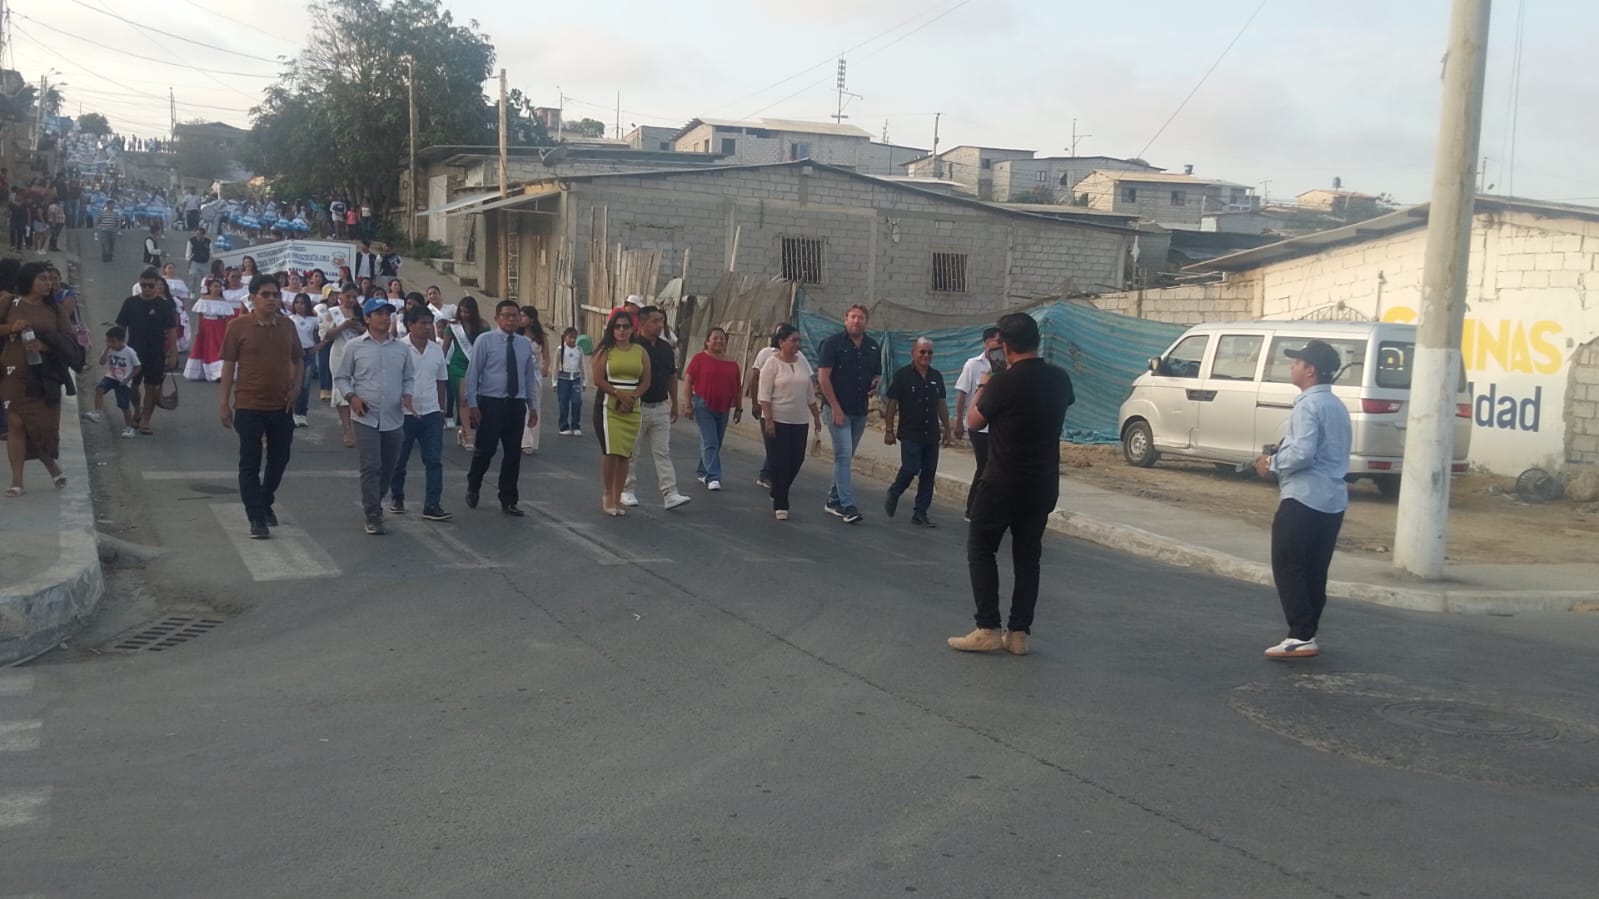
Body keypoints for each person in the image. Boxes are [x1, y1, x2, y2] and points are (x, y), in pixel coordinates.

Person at [949, 313, 1074, 657]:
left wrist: (986, 384)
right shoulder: (1059, 379)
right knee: (1027, 557)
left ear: (1005, 347)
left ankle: (987, 628)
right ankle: (1019, 633)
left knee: (981, 548)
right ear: (1037, 340)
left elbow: (974, 422)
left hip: (1002, 481)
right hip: (1042, 483)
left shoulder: (1002, 382)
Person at [1253, 340, 1352, 660]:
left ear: (1310, 370)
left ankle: (1300, 634)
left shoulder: (1308, 405)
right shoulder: (1336, 405)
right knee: (1314, 568)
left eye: (1296, 362)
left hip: (1303, 497)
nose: (1291, 366)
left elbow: (1303, 453)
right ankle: (1307, 632)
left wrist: (1271, 463)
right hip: (1332, 501)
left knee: (1287, 563)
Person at [218, 275, 303, 540]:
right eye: (265, 294)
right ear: (253, 297)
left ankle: (265, 500)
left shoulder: (287, 326)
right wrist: (224, 403)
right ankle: (256, 517)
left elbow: (298, 359)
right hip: (248, 404)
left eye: (275, 295)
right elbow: (228, 365)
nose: (272, 299)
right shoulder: (238, 326)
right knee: (250, 462)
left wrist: (296, 389)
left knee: (280, 458)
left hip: (281, 405)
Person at [2, 262, 84, 495]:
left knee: (39, 427)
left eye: (50, 279)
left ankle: (51, 466)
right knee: (16, 423)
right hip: (12, 373)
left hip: (43, 376)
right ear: (29, 281)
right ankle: (17, 482)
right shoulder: (10, 303)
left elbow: (70, 343)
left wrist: (45, 346)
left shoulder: (54, 310)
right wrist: (11, 328)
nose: (49, 284)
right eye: (43, 279)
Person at [334, 298, 414, 535]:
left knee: (389, 466)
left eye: (388, 313)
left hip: (393, 416)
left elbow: (408, 377)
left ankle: (376, 499)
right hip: (365, 416)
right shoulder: (354, 347)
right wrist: (352, 397)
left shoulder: (401, 349)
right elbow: (341, 377)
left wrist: (407, 395)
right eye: (378, 313)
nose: (384, 318)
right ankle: (372, 513)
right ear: (367, 318)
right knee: (371, 465)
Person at [463, 300, 538, 516]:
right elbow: (473, 373)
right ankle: (474, 485)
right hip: (491, 402)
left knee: (513, 453)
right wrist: (472, 404)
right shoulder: (485, 341)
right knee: (486, 450)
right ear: (497, 318)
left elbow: (528, 377)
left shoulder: (524, 344)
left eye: (515, 316)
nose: (511, 320)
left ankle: (508, 499)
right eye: (506, 316)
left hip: (516, 403)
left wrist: (532, 406)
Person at [620, 305, 692, 511]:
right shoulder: (632, 346)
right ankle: (627, 490)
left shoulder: (666, 349)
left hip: (660, 407)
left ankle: (670, 493)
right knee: (632, 451)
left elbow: (672, 376)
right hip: (638, 406)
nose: (660, 325)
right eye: (655, 321)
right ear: (642, 323)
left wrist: (675, 403)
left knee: (663, 452)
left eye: (661, 321)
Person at [817, 303, 881, 525]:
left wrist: (875, 384)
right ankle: (848, 505)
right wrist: (835, 408)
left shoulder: (872, 346)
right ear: (846, 320)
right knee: (843, 455)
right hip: (837, 410)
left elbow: (877, 374)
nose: (856, 321)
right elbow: (823, 377)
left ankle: (833, 500)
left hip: (859, 411)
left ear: (866, 322)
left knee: (846, 456)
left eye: (861, 317)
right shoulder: (832, 343)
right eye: (853, 317)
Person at [389, 305, 452, 521]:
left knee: (434, 460)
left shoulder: (436, 350)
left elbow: (441, 380)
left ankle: (432, 505)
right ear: (410, 325)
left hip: (431, 412)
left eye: (429, 323)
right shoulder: (398, 348)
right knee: (400, 460)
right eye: (423, 323)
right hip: (404, 413)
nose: (427, 327)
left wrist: (442, 408)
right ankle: (397, 497)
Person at [882, 337, 950, 528]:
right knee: (911, 468)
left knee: (928, 473)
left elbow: (941, 404)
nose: (926, 355)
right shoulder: (903, 375)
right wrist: (889, 430)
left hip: (931, 433)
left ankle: (920, 512)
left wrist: (947, 429)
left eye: (929, 352)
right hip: (910, 432)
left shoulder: (936, 376)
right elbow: (892, 403)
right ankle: (895, 491)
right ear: (913, 353)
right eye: (922, 352)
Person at [757, 323, 822, 521]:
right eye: (793, 340)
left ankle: (778, 488)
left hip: (799, 420)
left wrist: (816, 417)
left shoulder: (801, 361)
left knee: (796, 459)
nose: (797, 344)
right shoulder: (772, 363)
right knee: (779, 461)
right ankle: (781, 503)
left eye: (799, 340)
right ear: (782, 342)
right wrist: (769, 419)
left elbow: (809, 393)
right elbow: (764, 395)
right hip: (777, 419)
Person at [592, 308, 649, 516]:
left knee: (625, 453)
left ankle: (618, 497)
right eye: (617, 326)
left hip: (632, 407)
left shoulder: (640, 351)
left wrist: (632, 398)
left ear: (632, 329)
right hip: (609, 406)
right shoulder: (605, 351)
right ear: (612, 329)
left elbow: (646, 381)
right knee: (611, 451)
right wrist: (618, 395)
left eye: (625, 326)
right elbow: (598, 379)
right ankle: (608, 494)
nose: (622, 330)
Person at [115, 269, 179, 435]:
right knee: (132, 386)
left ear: (157, 285)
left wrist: (173, 353)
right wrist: (116, 349)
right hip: (133, 352)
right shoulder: (130, 302)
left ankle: (145, 420)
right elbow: (120, 327)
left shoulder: (164, 305)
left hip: (156, 353)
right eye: (144, 285)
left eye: (151, 285)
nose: (147, 288)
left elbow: (172, 330)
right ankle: (137, 409)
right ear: (139, 284)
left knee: (151, 388)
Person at [683, 326, 742, 491]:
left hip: (724, 406)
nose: (718, 341)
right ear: (707, 341)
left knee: (717, 441)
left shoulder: (732, 364)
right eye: (714, 338)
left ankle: (703, 470)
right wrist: (687, 405)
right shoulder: (699, 359)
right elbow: (688, 381)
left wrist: (739, 408)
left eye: (721, 338)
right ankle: (714, 477)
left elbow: (737, 388)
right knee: (710, 441)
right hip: (703, 404)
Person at [954, 327, 1002, 521]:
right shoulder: (973, 365)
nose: (1000, 345)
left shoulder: (1006, 366)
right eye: (997, 341)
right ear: (987, 343)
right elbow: (962, 393)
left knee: (996, 469)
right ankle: (972, 508)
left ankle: (991, 508)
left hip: (998, 427)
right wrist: (959, 422)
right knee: (984, 466)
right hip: (979, 426)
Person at [321, 285, 366, 448]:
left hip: (358, 354)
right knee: (342, 390)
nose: (351, 300)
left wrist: (360, 328)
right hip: (339, 353)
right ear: (341, 296)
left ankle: (360, 426)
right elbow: (326, 335)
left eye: (354, 297)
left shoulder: (360, 312)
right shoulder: (333, 312)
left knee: (359, 388)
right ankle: (347, 430)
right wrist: (343, 326)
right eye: (348, 296)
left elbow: (369, 332)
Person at [442, 296, 487, 449]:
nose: (464, 314)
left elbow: (487, 346)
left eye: (467, 312)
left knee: (477, 400)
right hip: (458, 365)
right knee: (463, 398)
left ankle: (463, 429)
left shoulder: (483, 325)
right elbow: (445, 346)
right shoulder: (454, 326)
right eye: (461, 311)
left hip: (477, 365)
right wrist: (441, 365)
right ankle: (468, 435)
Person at [86, 326, 141, 438]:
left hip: (123, 380)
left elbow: (137, 367)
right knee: (100, 388)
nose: (110, 344)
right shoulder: (110, 349)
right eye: (108, 341)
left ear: (122, 341)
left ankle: (129, 427)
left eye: (113, 342)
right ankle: (97, 412)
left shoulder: (129, 352)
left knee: (124, 405)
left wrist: (127, 379)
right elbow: (101, 362)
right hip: (111, 376)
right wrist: (107, 349)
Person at [745, 328, 782, 489]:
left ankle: (771, 474)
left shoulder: (796, 357)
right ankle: (766, 475)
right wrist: (755, 403)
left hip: (784, 408)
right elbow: (755, 378)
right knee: (772, 443)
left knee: (781, 444)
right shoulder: (766, 353)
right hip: (765, 405)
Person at [186, 277, 237, 382]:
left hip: (220, 327)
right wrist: (197, 329)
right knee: (207, 348)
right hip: (207, 326)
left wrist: (229, 329)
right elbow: (200, 315)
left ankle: (219, 372)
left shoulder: (223, 301)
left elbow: (227, 317)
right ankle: (207, 372)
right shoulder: (204, 299)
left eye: (219, 287)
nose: (218, 289)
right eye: (215, 286)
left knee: (219, 348)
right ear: (209, 288)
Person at [517, 305, 549, 455]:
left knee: (534, 407)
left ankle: (530, 441)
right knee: (520, 407)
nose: (521, 319)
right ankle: (520, 439)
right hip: (519, 374)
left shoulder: (541, 336)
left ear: (532, 319)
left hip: (534, 374)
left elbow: (546, 356)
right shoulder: (516, 334)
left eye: (524, 316)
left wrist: (544, 369)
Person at [288, 293, 320, 427]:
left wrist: (317, 346)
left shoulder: (314, 321)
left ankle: (301, 414)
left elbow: (321, 334)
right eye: (297, 302)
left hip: (308, 353)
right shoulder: (290, 319)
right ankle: (292, 412)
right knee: (293, 383)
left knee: (305, 385)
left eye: (302, 303)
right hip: (294, 354)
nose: (299, 306)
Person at [553, 327, 584, 436]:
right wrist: (554, 382)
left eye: (575, 338)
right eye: (570, 337)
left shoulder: (579, 350)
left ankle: (576, 425)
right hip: (563, 379)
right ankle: (563, 426)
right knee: (563, 403)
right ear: (565, 337)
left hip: (575, 379)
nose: (572, 340)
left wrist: (584, 381)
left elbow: (582, 366)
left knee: (577, 402)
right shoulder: (560, 350)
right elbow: (555, 366)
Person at [184, 227, 211, 297]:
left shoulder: (208, 241)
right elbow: (188, 252)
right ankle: (192, 293)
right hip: (194, 261)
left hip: (205, 262)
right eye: (197, 233)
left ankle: (205, 292)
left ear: (203, 234)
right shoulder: (191, 241)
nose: (198, 235)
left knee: (206, 279)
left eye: (200, 234)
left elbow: (211, 252)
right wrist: (188, 261)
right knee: (192, 276)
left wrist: (211, 260)